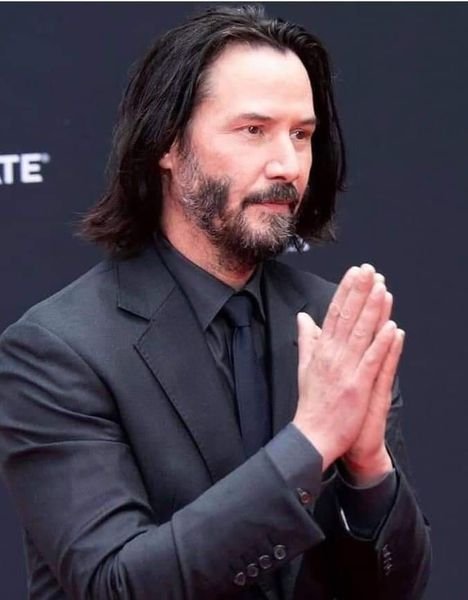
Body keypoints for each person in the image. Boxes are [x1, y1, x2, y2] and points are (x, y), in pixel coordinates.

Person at [0, 5, 431, 599]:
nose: (287, 165)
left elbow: (394, 586)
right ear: (167, 143)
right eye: (253, 130)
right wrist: (311, 442)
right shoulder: (58, 349)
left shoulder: (335, 325)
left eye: (301, 135)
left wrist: (368, 470)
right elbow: (114, 585)